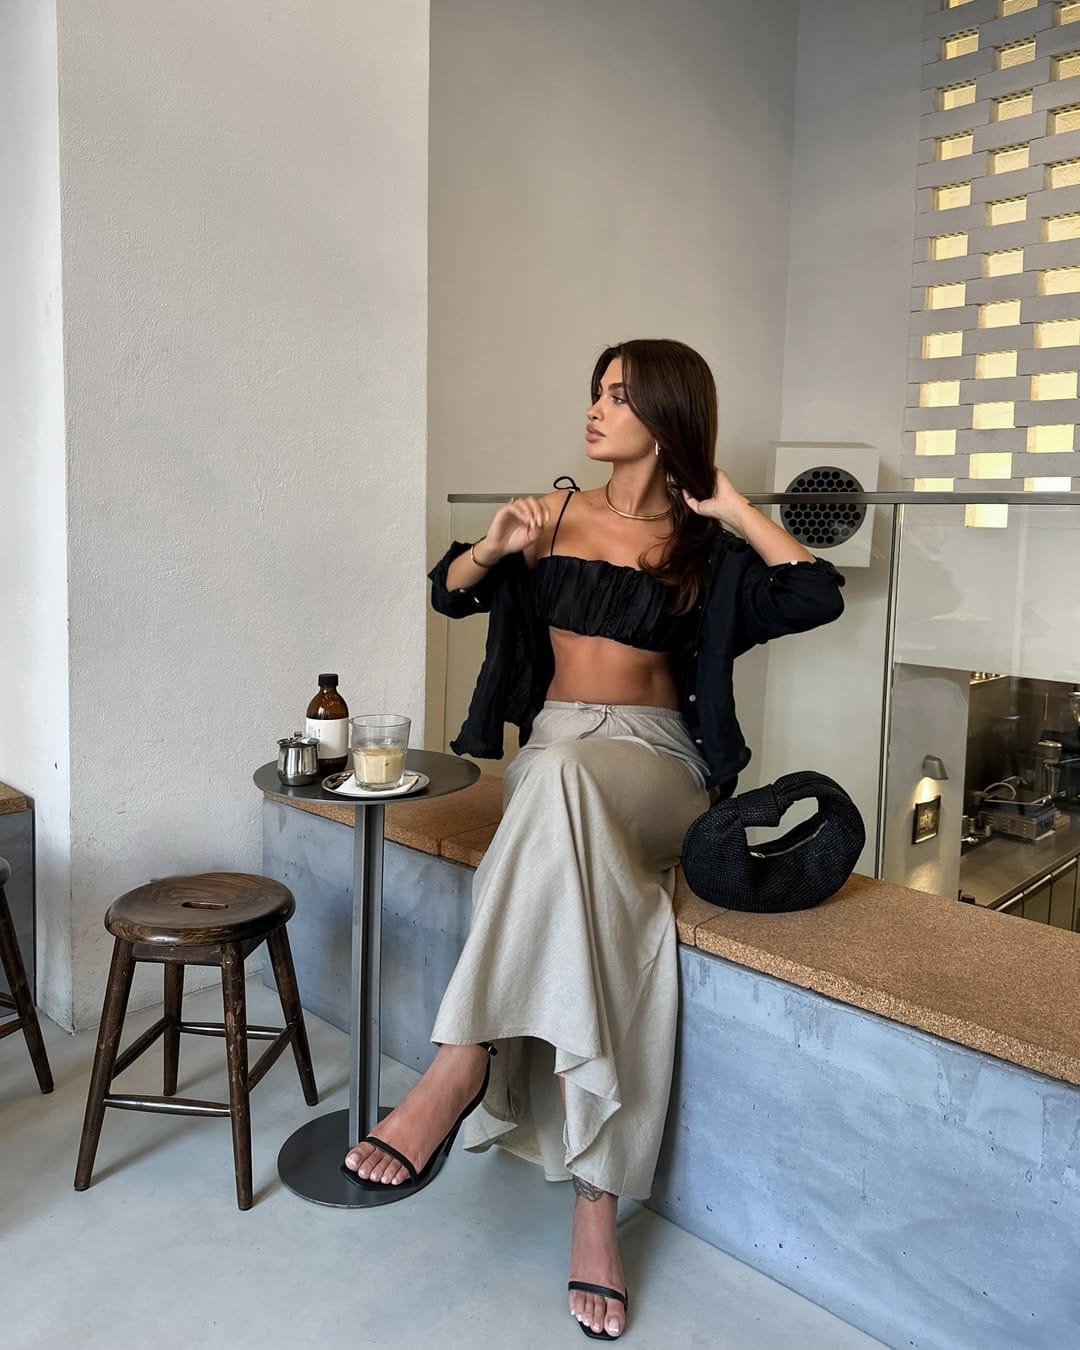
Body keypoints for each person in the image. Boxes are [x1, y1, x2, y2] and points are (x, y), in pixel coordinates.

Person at [343, 339, 846, 1340]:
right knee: (596, 877)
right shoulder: (550, 514)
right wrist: (492, 546)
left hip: (658, 767)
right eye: (596, 390)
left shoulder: (709, 547)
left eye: (620, 395)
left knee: (560, 788)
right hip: (557, 756)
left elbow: (814, 595)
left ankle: (459, 1060)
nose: (596, 408)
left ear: (664, 417)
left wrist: (739, 508)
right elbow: (449, 591)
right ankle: (596, 1205)